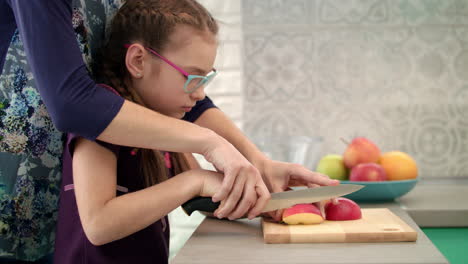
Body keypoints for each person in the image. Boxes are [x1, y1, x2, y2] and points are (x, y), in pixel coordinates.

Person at [0, 0, 338, 262]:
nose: (201, 93)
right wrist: (202, 167)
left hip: (47, 217)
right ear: (136, 62)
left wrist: (258, 181)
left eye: (206, 79)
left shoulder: (158, 123)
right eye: (194, 79)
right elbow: (75, 107)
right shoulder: (102, 131)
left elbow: (179, 95)